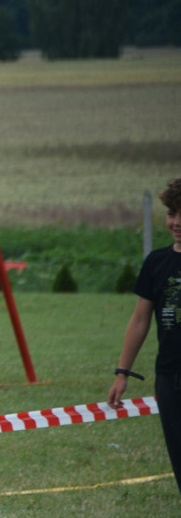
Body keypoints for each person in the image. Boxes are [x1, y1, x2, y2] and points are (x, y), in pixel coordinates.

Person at [108, 176, 181, 497]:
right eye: (171, 214)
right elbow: (140, 320)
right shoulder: (157, 262)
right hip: (170, 378)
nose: (176, 223)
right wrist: (122, 372)